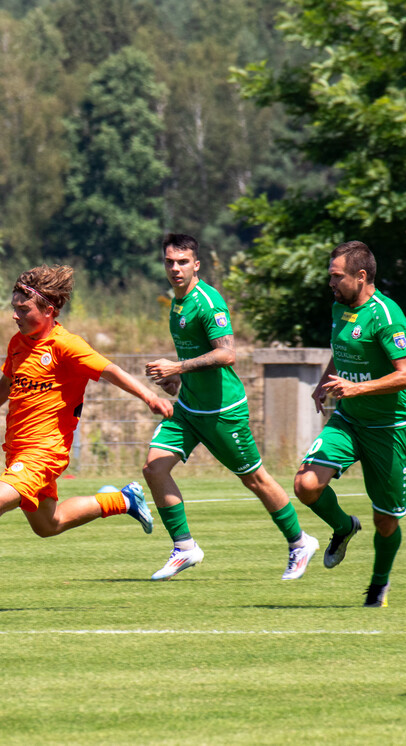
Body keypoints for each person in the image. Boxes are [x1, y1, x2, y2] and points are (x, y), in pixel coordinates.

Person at [0, 265, 175, 608]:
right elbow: (5, 386)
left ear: (49, 310)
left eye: (24, 310)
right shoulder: (18, 344)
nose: (15, 316)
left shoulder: (66, 345)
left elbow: (109, 370)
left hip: (44, 452)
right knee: (49, 524)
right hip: (18, 452)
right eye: (15, 308)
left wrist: (149, 396)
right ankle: (123, 500)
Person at [142, 233, 318, 581]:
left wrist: (177, 368)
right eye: (169, 262)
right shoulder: (177, 302)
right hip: (190, 408)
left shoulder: (208, 302)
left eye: (182, 262)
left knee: (253, 478)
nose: (175, 268)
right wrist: (178, 381)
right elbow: (196, 355)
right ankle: (185, 547)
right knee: (153, 469)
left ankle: (300, 542)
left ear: (196, 264)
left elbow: (228, 353)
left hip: (223, 412)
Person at [293, 240, 406, 608]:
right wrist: (324, 383)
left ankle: (379, 583)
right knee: (305, 485)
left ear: (361, 276)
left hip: (390, 429)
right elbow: (344, 350)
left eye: (336, 276)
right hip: (349, 419)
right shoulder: (340, 308)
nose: (330, 283)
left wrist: (357, 387)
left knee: (386, 520)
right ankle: (344, 527)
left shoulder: (387, 316)